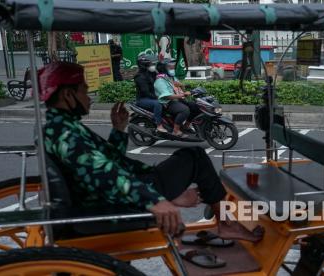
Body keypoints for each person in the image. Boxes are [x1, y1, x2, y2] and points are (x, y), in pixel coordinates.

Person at [38, 62, 263, 241]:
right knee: (195, 156)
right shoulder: (65, 134)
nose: (89, 97)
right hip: (116, 201)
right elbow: (104, 174)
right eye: (85, 91)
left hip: (131, 183)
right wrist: (155, 200)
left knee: (191, 155)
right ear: (68, 96)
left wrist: (118, 130)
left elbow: (108, 161)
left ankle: (221, 219)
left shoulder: (62, 126)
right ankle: (225, 224)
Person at [154, 61, 191, 137]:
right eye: (170, 67)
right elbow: (168, 96)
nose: (172, 69)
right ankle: (175, 131)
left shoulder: (170, 78)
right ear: (164, 69)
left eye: (172, 67)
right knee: (185, 110)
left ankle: (186, 126)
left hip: (176, 100)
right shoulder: (160, 81)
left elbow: (180, 88)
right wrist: (182, 95)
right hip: (167, 103)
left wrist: (182, 86)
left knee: (194, 106)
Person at [134, 55, 167, 133]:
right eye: (151, 65)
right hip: (143, 99)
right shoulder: (139, 77)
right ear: (144, 65)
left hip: (153, 96)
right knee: (158, 104)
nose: (153, 66)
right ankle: (159, 125)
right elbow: (146, 92)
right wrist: (159, 98)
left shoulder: (151, 73)